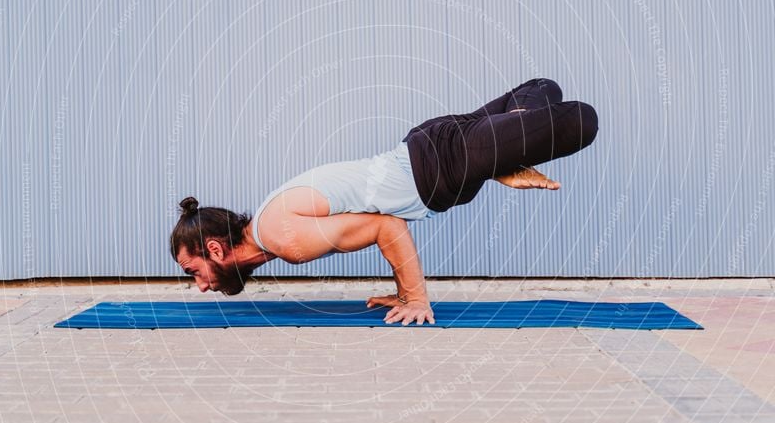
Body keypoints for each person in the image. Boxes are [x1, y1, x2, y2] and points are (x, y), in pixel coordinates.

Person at [169, 78, 598, 326]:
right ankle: (503, 153)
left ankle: (503, 154)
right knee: (542, 87)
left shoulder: (282, 238)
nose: (202, 285)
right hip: (432, 147)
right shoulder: (268, 223)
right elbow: (373, 210)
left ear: (214, 249)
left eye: (195, 272)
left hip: (443, 161)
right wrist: (400, 292)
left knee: (582, 119)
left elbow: (384, 225)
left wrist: (416, 299)